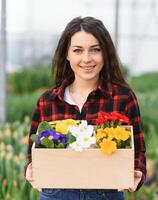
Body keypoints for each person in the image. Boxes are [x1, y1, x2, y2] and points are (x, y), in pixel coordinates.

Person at [25, 16, 146, 200]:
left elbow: (137, 151)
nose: (87, 59)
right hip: (57, 193)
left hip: (106, 193)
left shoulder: (123, 97)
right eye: (78, 50)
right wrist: (30, 169)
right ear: (67, 54)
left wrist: (137, 172)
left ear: (105, 53)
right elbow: (33, 153)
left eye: (95, 50)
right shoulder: (48, 101)